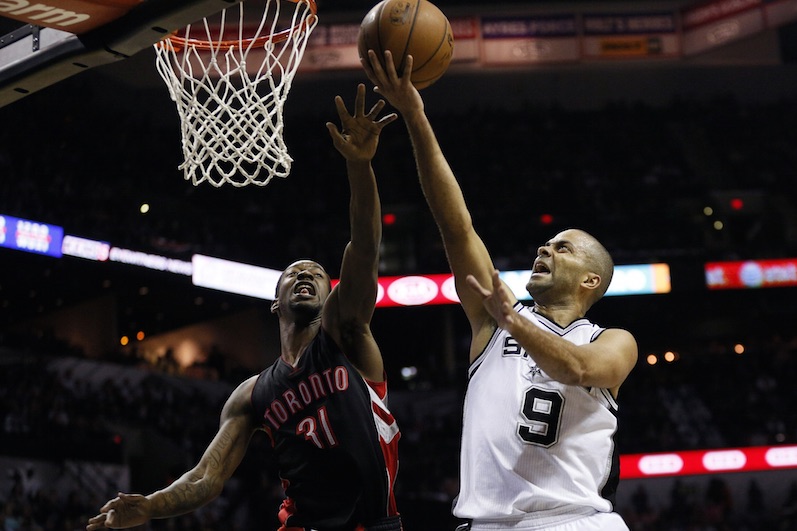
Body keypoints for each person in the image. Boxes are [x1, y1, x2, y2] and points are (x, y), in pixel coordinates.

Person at [86, 84, 403, 531]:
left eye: (316, 273)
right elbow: (206, 476)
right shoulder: (252, 394)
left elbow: (365, 247)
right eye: (294, 273)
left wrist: (359, 165)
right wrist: (151, 506)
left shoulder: (346, 337)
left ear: (331, 294)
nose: (305, 276)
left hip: (371, 524)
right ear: (276, 302)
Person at [361, 50, 638, 531]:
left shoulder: (610, 340)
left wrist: (514, 321)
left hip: (572, 523)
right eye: (546, 244)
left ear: (592, 280)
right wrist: (415, 114)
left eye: (563, 248)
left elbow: (577, 368)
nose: (545, 249)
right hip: (486, 524)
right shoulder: (493, 319)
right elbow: (455, 225)